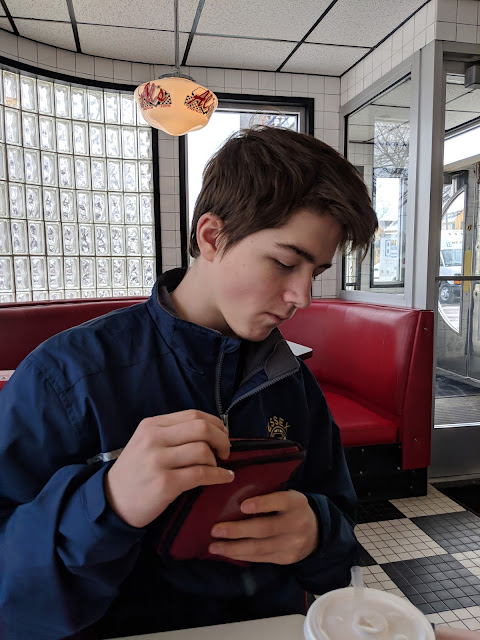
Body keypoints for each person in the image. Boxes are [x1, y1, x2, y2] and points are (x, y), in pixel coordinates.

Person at [0, 126, 378, 639]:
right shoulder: (66, 377)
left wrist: (316, 532)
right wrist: (107, 502)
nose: (303, 296)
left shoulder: (291, 380)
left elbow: (340, 529)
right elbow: (10, 595)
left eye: (316, 271)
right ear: (212, 237)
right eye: (285, 262)